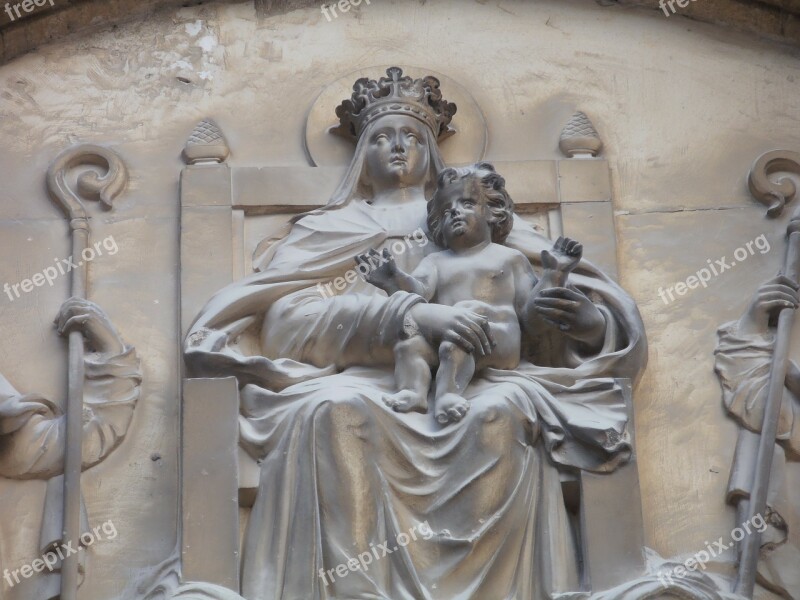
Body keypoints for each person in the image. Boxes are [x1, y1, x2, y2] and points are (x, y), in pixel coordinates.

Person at [185, 67, 647, 600]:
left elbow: (539, 323)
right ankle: (356, 589)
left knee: (501, 413)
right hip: (372, 379)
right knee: (334, 412)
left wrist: (585, 325)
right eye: (381, 137)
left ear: (434, 151)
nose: (398, 147)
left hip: (482, 377)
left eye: (412, 136)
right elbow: (286, 329)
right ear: (362, 156)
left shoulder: (492, 232)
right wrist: (408, 317)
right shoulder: (327, 231)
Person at [359, 162, 583, 425]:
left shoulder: (509, 258)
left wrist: (553, 275)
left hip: (497, 340)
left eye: (467, 203)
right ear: (438, 225)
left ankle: (447, 395)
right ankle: (414, 391)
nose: (454, 212)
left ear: (492, 213)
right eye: (446, 211)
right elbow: (417, 295)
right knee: (411, 343)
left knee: (465, 321)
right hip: (445, 340)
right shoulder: (435, 262)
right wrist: (392, 279)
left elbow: (530, 319)